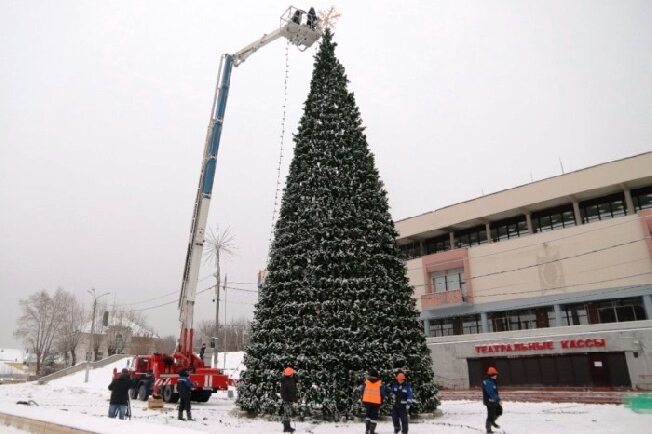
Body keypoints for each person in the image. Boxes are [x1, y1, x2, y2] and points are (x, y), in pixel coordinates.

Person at [361, 368, 388, 434]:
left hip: (367, 401)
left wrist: (362, 399)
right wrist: (382, 400)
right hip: (376, 402)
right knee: (374, 416)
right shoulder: (380, 383)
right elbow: (382, 393)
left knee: (368, 415)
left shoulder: (366, 382)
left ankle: (367, 430)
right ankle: (372, 431)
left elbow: (362, 391)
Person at [482, 366, 502, 433]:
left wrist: (497, 399)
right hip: (489, 401)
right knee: (490, 415)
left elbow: (494, 391)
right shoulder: (487, 382)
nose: (496, 375)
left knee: (499, 411)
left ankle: (492, 421)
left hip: (494, 400)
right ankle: (488, 429)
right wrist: (498, 399)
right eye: (495, 374)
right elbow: (491, 392)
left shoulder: (493, 381)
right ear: (492, 375)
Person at [280, 366, 298, 433]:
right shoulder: (289, 382)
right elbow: (292, 392)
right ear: (290, 374)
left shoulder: (286, 379)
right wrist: (295, 400)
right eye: (292, 373)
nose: (293, 374)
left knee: (287, 413)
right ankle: (287, 428)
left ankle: (287, 427)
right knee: (287, 413)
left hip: (286, 399)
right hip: (287, 399)